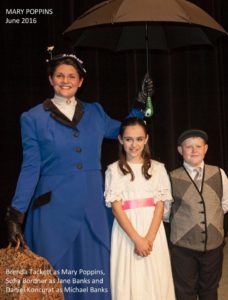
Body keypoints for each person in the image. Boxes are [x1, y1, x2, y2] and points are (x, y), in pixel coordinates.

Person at [5, 52, 153, 300]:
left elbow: (125, 131)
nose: (66, 80)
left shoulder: (95, 112)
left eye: (72, 76)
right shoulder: (32, 118)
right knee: (55, 281)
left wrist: (140, 103)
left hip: (93, 211)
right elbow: (30, 167)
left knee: (95, 278)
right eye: (60, 75)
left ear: (80, 81)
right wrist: (15, 214)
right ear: (51, 79)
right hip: (52, 215)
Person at [104, 117, 176, 300]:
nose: (133, 144)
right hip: (127, 232)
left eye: (138, 139)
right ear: (120, 140)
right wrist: (137, 240)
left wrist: (148, 239)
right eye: (128, 139)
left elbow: (160, 205)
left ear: (146, 139)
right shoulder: (113, 170)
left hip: (152, 232)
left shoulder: (158, 169)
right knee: (130, 278)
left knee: (155, 278)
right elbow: (116, 208)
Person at [169, 129, 228, 300]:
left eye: (198, 146)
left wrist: (211, 220)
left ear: (206, 149)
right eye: (188, 147)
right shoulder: (171, 177)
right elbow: (166, 212)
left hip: (214, 245)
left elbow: (224, 204)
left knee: (210, 288)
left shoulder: (219, 173)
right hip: (183, 248)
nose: (194, 150)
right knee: (184, 290)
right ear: (180, 150)